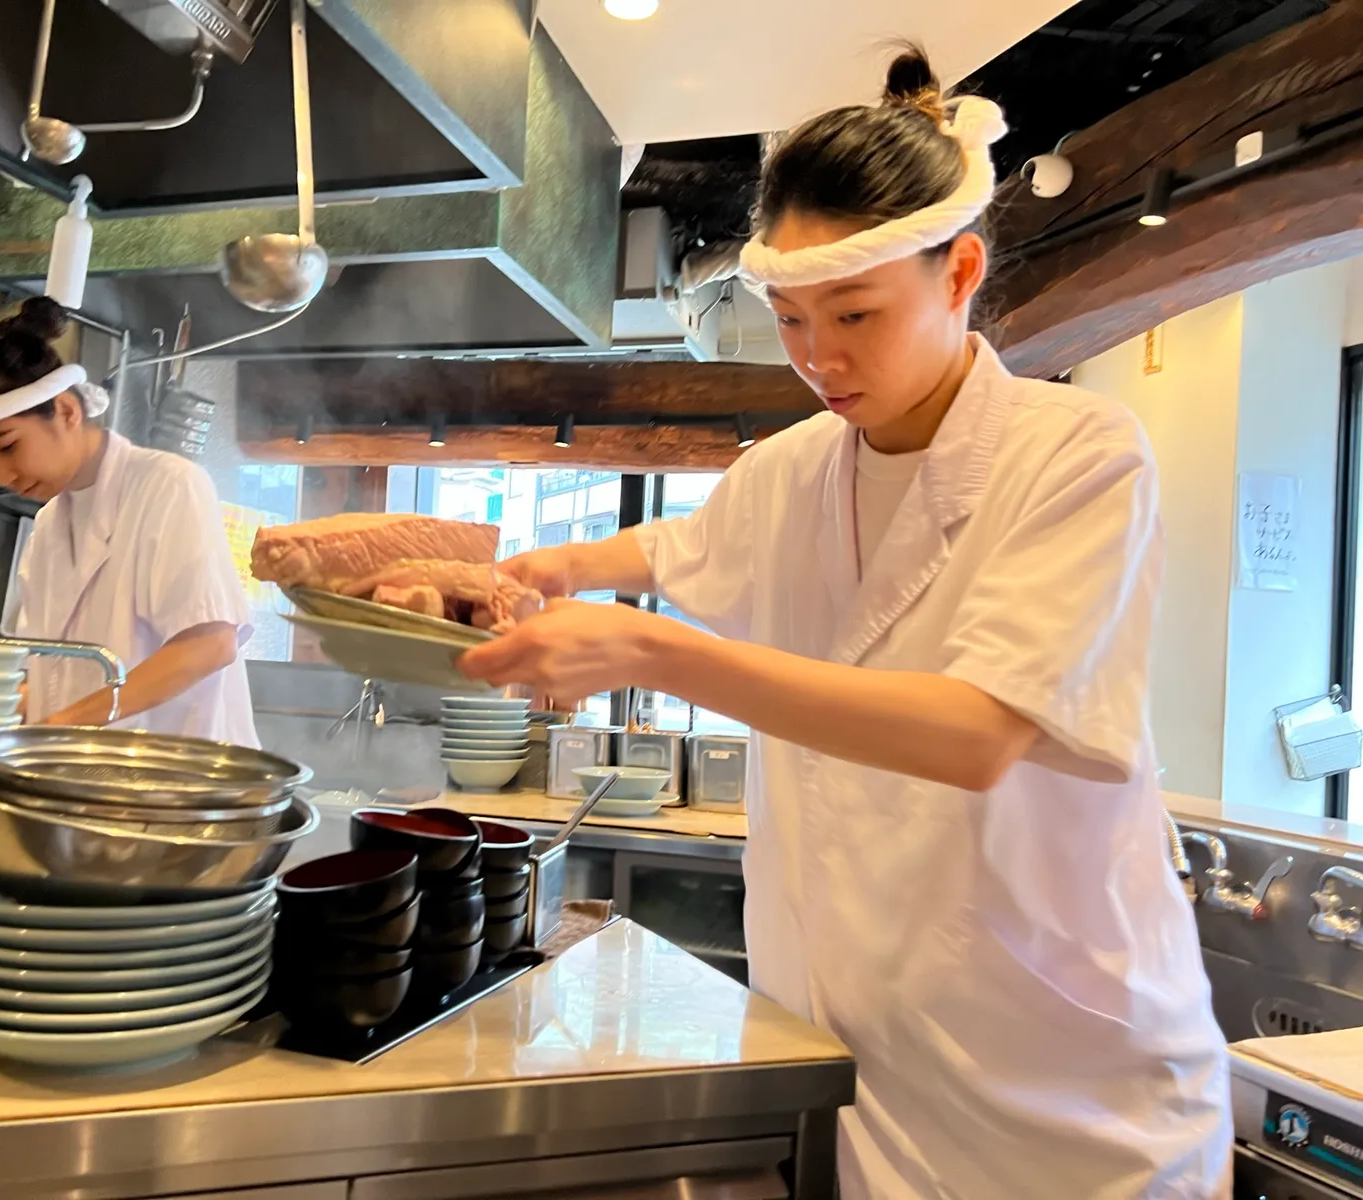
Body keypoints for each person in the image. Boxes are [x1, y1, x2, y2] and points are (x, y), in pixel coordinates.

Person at [460, 50, 1230, 1200]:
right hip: (854, 1069)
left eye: (856, 314)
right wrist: (534, 570)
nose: (818, 358)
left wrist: (653, 649)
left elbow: (974, 731)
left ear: (958, 271)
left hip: (1067, 1094)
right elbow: (670, 551)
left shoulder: (1078, 455)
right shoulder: (790, 470)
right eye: (788, 318)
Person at [0, 298, 258, 746]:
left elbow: (209, 644)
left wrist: (61, 725)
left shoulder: (167, 485)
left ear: (67, 411)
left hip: (174, 773)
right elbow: (52, 675)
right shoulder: (49, 524)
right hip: (87, 771)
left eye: (6, 447)